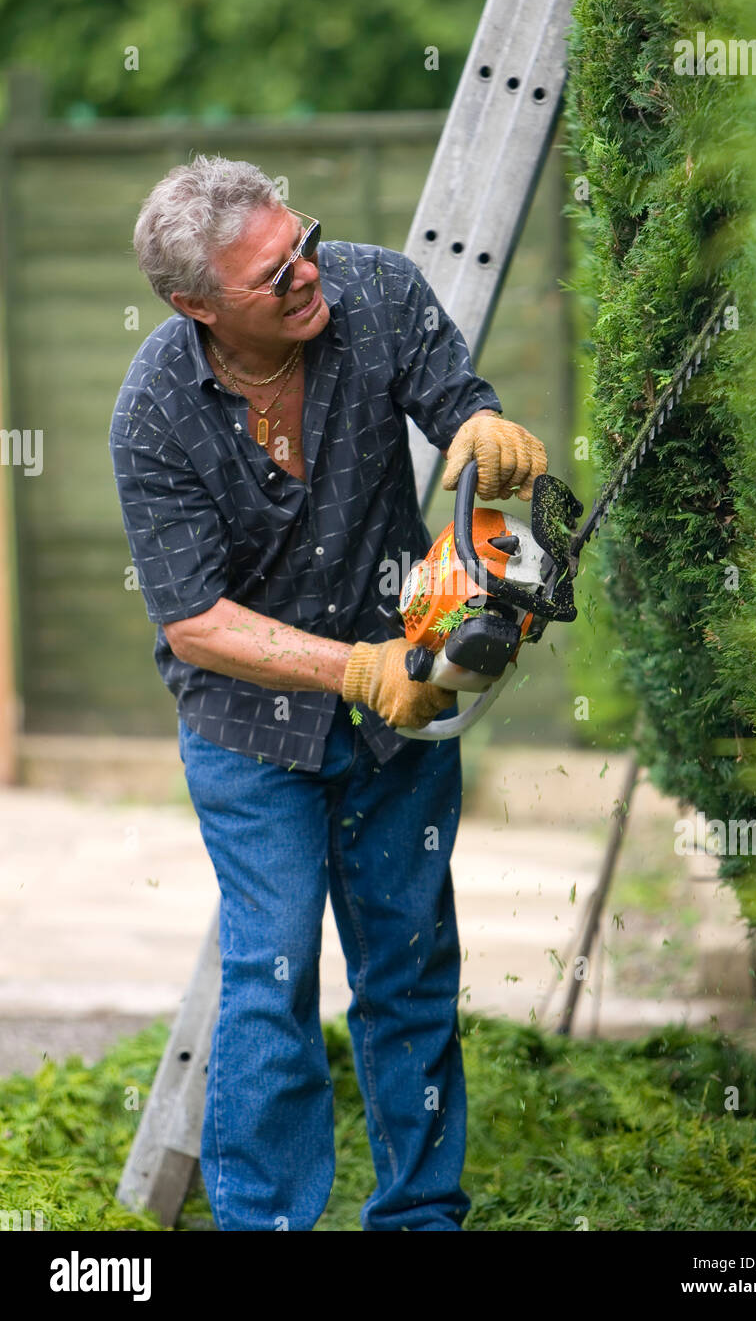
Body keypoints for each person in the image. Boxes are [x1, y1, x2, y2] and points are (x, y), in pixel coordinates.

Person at [109, 154, 548, 1231]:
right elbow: (193, 621)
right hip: (247, 733)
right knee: (271, 973)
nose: (309, 273)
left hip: (404, 717)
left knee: (407, 967)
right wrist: (353, 668)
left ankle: (419, 1218)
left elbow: (457, 408)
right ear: (197, 305)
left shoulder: (378, 289)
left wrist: (481, 435)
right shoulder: (156, 413)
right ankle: (263, 1221)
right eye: (275, 274)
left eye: (303, 239)